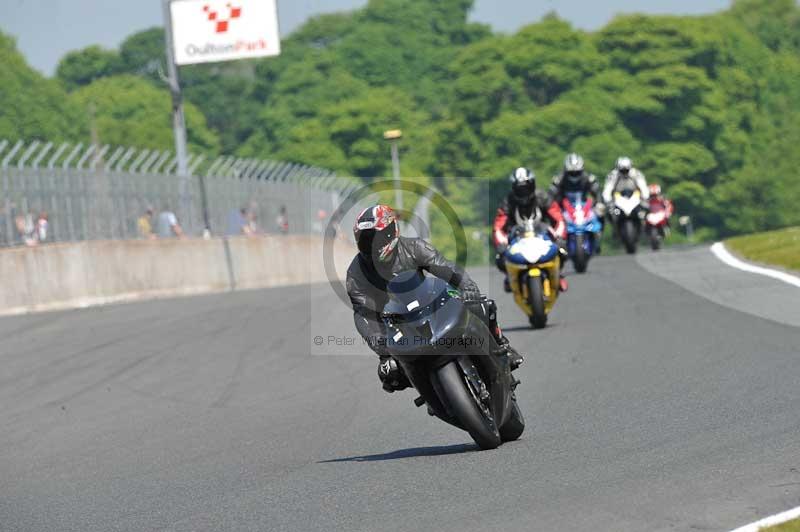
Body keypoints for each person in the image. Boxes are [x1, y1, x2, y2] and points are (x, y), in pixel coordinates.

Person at [346, 204, 524, 393]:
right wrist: (381, 349)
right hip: (396, 324)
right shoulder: (356, 273)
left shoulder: (414, 247)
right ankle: (431, 392)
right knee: (390, 374)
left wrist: (467, 288)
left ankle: (502, 346)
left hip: (430, 304)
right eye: (365, 240)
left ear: (391, 232)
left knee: (481, 306)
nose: (371, 245)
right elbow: (363, 314)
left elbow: (446, 268)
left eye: (375, 238)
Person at [493, 167, 568, 293]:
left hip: (542, 233)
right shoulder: (508, 202)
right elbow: (498, 227)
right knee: (500, 258)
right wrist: (501, 243)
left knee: (562, 249)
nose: (523, 192)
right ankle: (510, 277)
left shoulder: (542, 196)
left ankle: (557, 275)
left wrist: (559, 236)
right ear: (514, 188)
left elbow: (559, 218)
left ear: (532, 185)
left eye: (526, 188)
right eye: (519, 189)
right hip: (516, 237)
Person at [547, 153, 605, 238]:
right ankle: (556, 237)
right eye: (571, 173)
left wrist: (599, 203)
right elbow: (551, 194)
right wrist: (551, 206)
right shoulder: (559, 179)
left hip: (584, 206)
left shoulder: (588, 178)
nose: (574, 175)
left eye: (577, 172)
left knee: (601, 210)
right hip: (564, 206)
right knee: (552, 214)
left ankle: (599, 233)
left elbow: (597, 191)